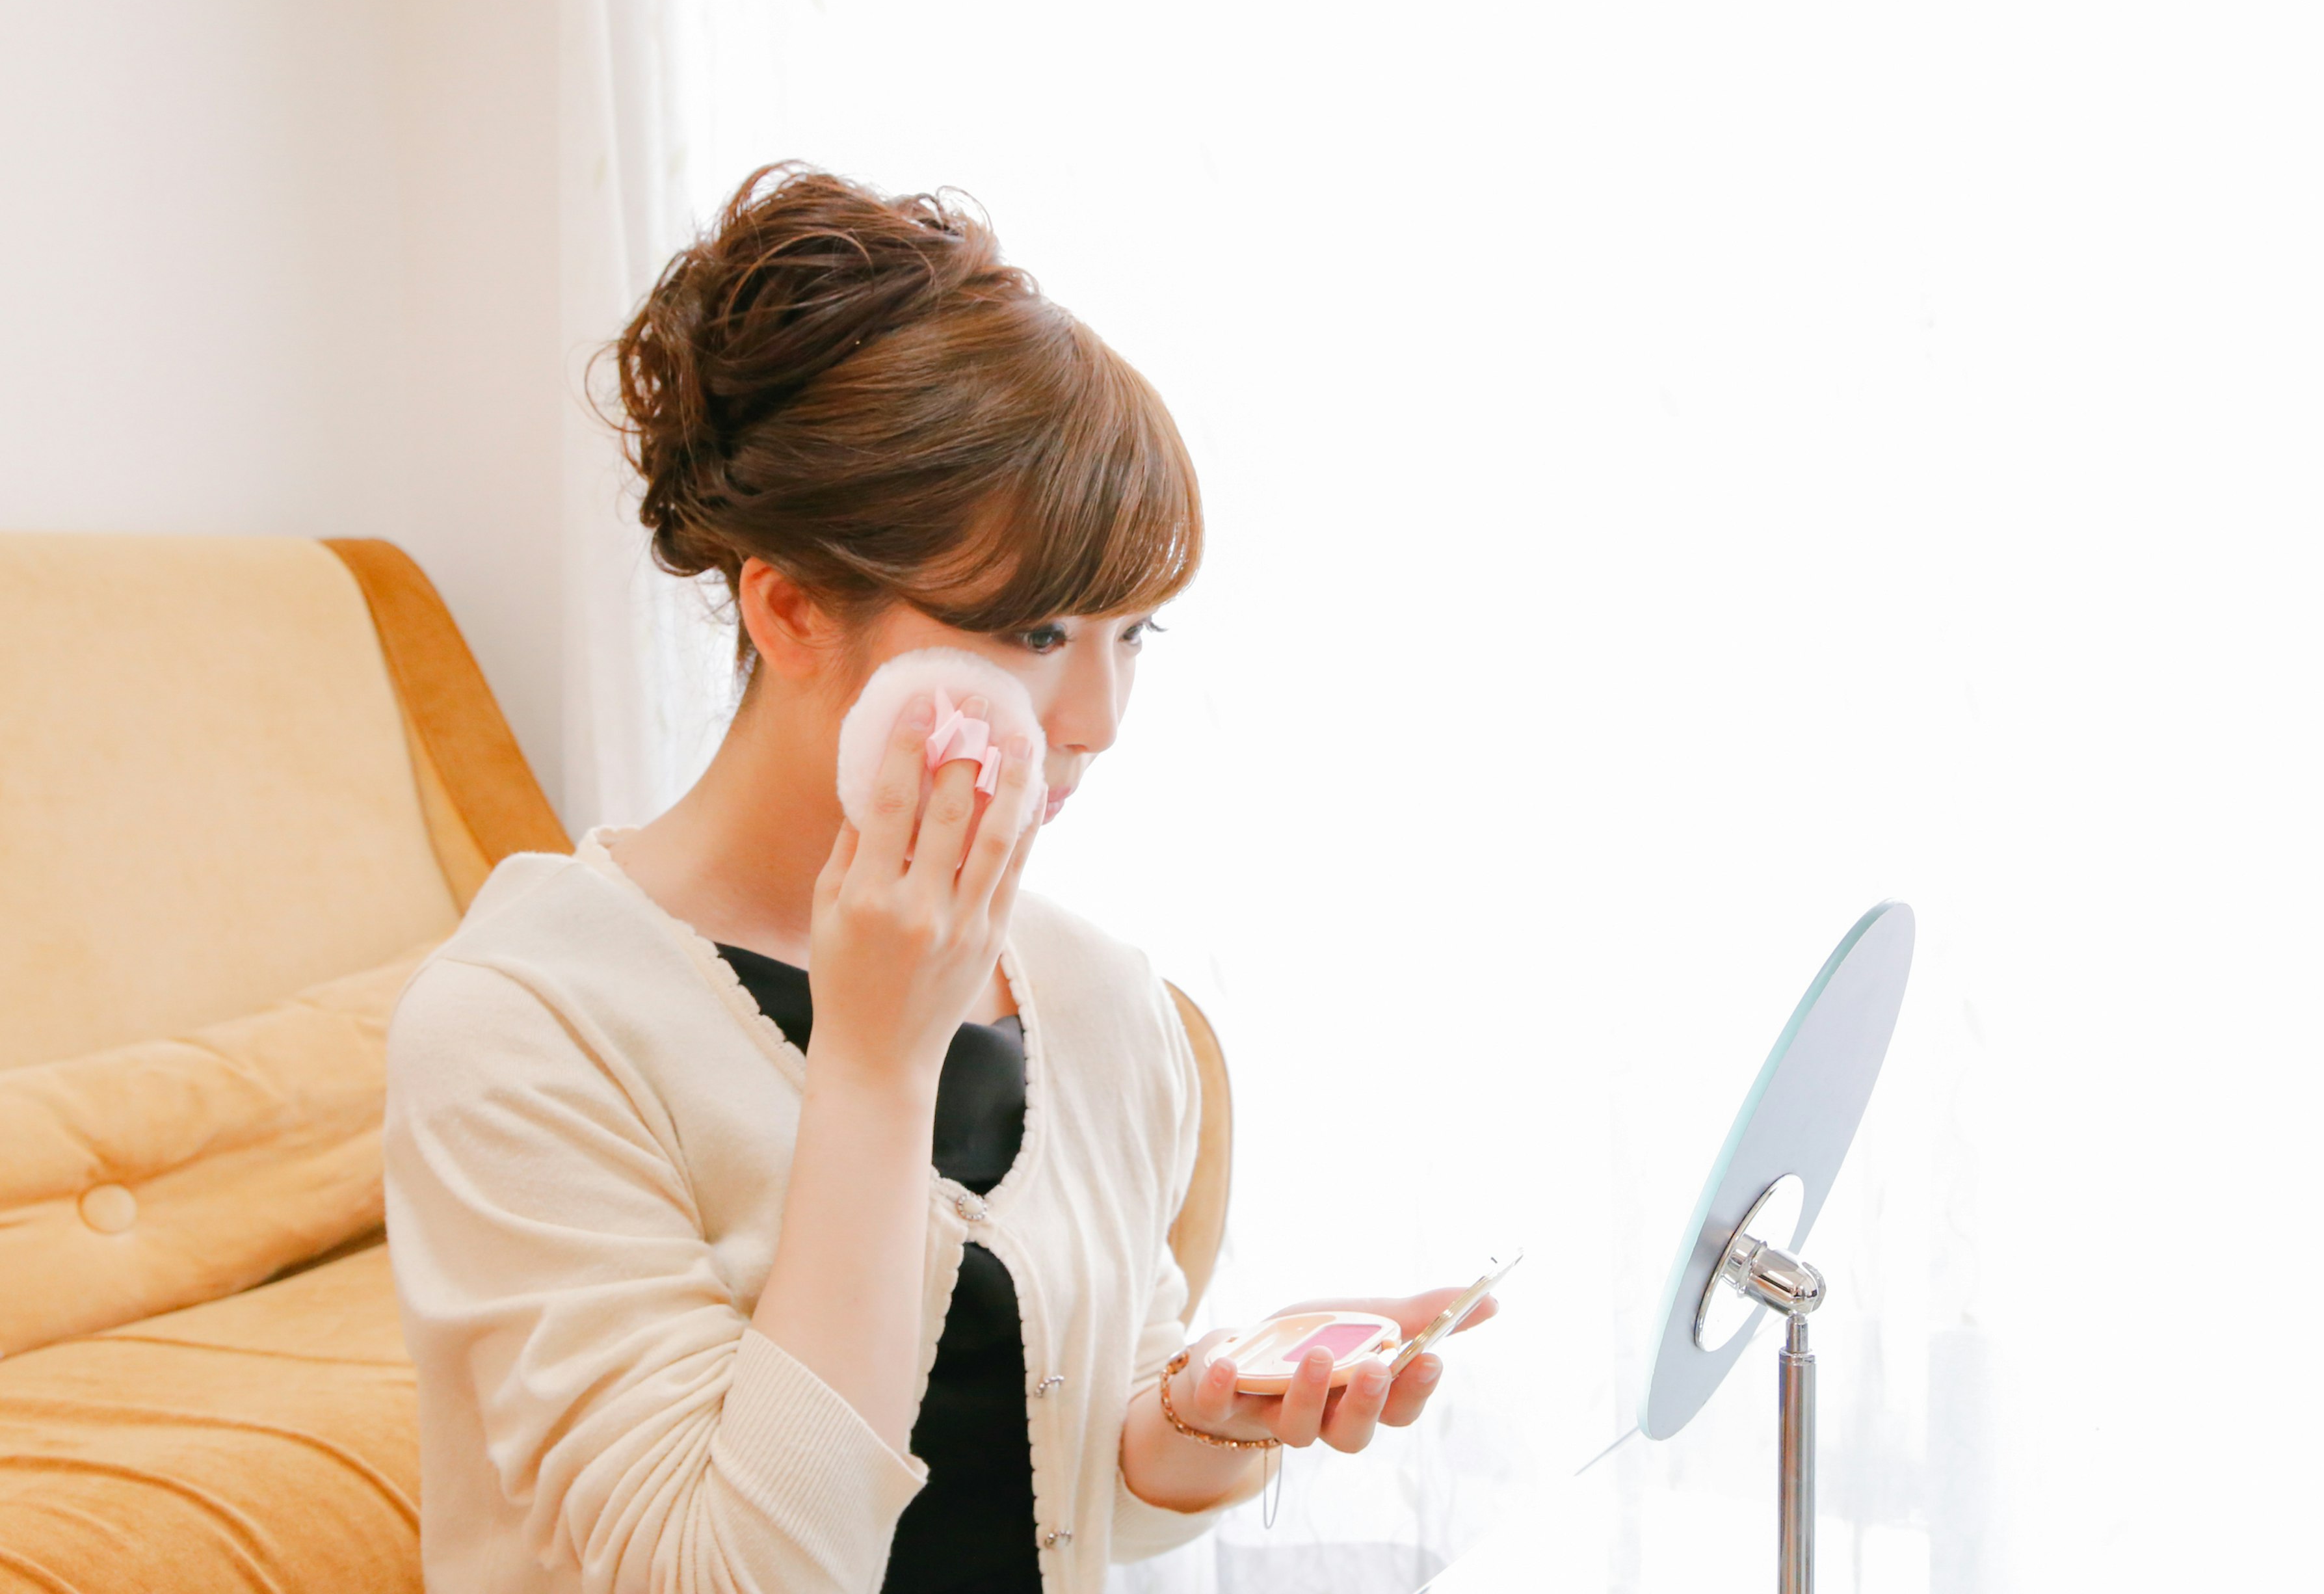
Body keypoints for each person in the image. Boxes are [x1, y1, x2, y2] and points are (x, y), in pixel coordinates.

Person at [381, 163, 1492, 1594]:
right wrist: (875, 1062)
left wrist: (1210, 1412)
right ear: (788, 606)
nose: (1095, 718)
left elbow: (1087, 1445)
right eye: (1034, 630)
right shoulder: (525, 1025)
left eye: (1133, 634)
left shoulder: (1098, 994)